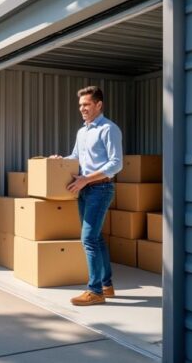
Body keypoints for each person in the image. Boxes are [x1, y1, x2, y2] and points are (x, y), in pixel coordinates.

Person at [50, 85, 123, 306]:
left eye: (87, 104)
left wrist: (86, 179)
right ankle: (107, 285)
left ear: (99, 105)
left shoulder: (109, 129)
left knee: (88, 239)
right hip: (84, 189)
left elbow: (116, 164)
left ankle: (95, 291)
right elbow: (76, 157)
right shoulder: (82, 132)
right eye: (80, 105)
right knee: (96, 238)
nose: (82, 108)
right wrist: (61, 160)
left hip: (100, 189)